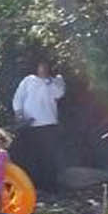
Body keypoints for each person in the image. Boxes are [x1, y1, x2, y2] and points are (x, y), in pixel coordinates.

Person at [11, 60, 65, 192]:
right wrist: (19, 113)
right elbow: (18, 97)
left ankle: (50, 185)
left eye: (46, 66)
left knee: (48, 155)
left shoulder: (56, 81)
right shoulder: (28, 80)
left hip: (48, 123)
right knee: (32, 155)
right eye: (41, 66)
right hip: (30, 124)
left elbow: (59, 94)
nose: (43, 68)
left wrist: (50, 81)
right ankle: (34, 185)